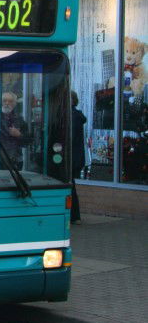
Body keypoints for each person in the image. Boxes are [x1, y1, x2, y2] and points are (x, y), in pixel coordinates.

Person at [70, 90, 87, 224]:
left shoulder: (72, 116)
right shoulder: (75, 115)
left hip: (71, 158)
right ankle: (74, 216)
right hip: (75, 157)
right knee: (70, 185)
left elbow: (70, 138)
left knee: (69, 185)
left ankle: (74, 215)